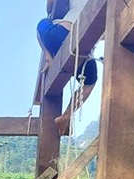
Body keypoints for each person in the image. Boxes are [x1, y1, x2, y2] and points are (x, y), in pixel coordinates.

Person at [37, 0, 98, 135]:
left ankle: (48, 56)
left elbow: (50, 6)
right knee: (89, 83)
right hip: (83, 46)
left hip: (60, 34)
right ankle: (66, 115)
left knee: (41, 25)